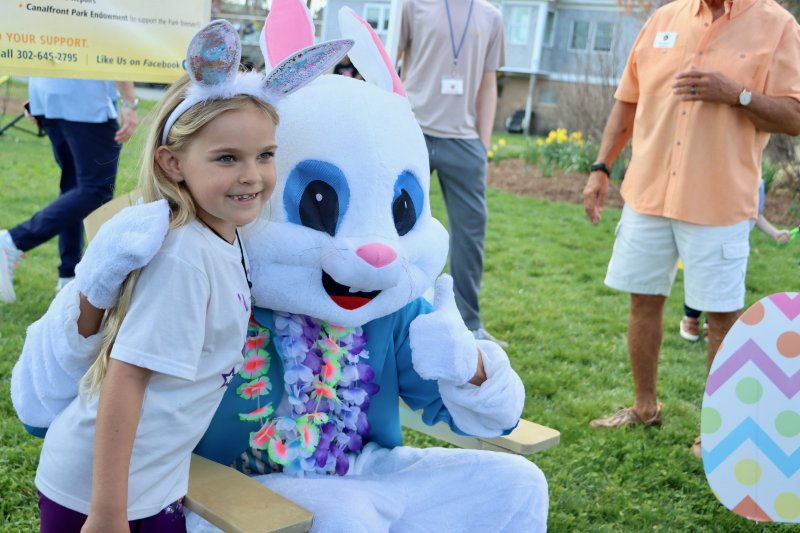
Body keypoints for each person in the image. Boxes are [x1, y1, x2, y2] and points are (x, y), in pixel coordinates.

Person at [31, 19, 286, 531]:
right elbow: (125, 380)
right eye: (227, 158)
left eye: (265, 155)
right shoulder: (185, 259)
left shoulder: (226, 234)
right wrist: (107, 512)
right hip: (95, 494)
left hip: (153, 484)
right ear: (173, 163)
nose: (251, 175)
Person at [582, 0, 800, 439]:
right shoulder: (664, 18)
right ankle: (645, 407)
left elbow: (794, 116)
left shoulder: (778, 25)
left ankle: (715, 433)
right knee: (643, 301)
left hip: (719, 200)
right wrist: (601, 167)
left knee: (720, 318)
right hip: (649, 194)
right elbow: (628, 101)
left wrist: (736, 94)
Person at [398, 0, 508, 346]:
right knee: (395, 226)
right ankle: (390, 313)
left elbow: (489, 82)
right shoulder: (413, 5)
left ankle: (469, 324)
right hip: (414, 130)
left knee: (470, 233)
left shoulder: (492, 16)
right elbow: (392, 64)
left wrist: (483, 142)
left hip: (464, 140)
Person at [0, 78, 139, 304]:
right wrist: (130, 103)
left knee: (76, 189)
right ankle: (12, 241)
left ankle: (68, 278)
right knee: (94, 191)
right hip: (85, 102)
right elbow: (113, 48)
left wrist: (36, 95)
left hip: (48, 98)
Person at [680, 179, 792, 342]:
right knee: (700, 277)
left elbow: (755, 214)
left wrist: (775, 233)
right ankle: (691, 317)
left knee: (725, 283)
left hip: (735, 242)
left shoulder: (757, 181)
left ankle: (711, 323)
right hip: (707, 232)